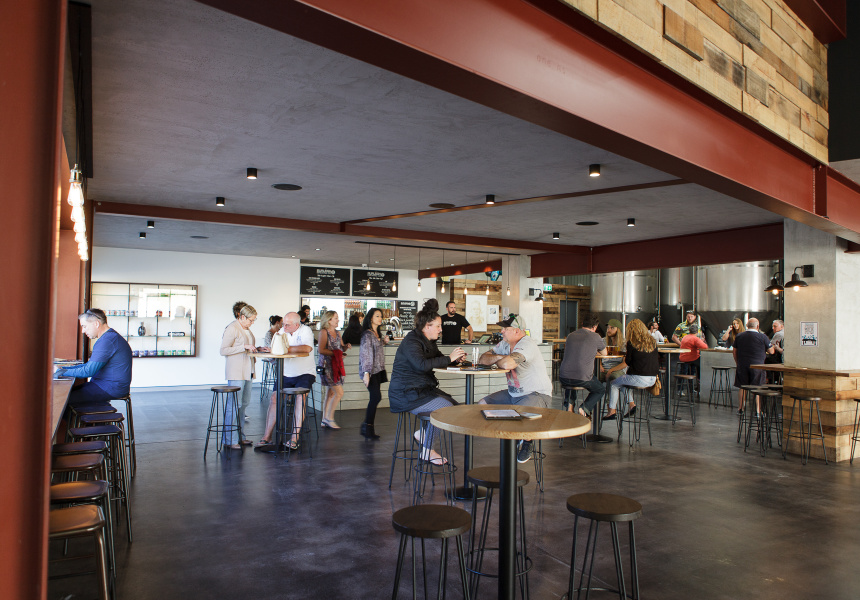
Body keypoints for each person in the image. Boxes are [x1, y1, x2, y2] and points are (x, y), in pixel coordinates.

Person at [388, 299, 465, 465]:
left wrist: (454, 360)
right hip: (405, 394)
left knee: (454, 406)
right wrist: (449, 358)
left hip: (420, 390)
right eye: (438, 326)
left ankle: (422, 434)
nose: (441, 330)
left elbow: (439, 358)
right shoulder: (411, 341)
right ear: (426, 326)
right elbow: (421, 365)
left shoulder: (428, 341)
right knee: (444, 408)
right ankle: (427, 451)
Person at [478, 313, 553, 463]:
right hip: (514, 394)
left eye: (505, 329)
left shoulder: (527, 344)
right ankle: (515, 437)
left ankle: (527, 442)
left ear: (517, 331)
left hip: (536, 394)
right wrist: (500, 357)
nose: (502, 331)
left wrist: (500, 359)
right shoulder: (505, 344)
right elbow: (483, 359)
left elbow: (508, 364)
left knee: (517, 417)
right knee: (482, 404)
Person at [257, 312, 316, 451]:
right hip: (286, 373)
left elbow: (307, 348)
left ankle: (294, 438)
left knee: (300, 398)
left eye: (287, 325)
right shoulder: (282, 332)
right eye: (283, 324)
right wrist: (267, 350)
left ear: (297, 324)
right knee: (274, 398)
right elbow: (275, 349)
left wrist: (284, 349)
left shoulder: (305, 330)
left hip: (305, 373)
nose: (284, 327)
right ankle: (267, 437)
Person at [56, 309, 133, 408]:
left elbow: (88, 371)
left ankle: (85, 418)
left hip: (110, 388)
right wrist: (62, 369)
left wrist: (59, 372)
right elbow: (88, 366)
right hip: (105, 385)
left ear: (96, 324)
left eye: (84, 326)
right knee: (69, 393)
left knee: (63, 399)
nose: (83, 331)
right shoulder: (109, 337)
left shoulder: (107, 341)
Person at [220, 303, 260, 449]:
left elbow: (247, 347)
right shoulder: (232, 328)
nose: (252, 323)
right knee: (234, 405)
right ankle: (230, 439)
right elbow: (224, 350)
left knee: (244, 404)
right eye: (250, 320)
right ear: (242, 317)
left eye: (254, 320)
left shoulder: (246, 329)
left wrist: (257, 348)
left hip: (248, 370)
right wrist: (243, 347)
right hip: (236, 371)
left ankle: (240, 437)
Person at [603, 319, 659, 419]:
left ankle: (612, 411)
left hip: (639, 378)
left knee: (613, 384)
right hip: (653, 379)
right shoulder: (652, 342)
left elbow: (627, 363)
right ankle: (632, 405)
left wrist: (611, 370)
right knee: (622, 384)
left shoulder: (632, 343)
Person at [558, 312, 608, 418]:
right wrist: (594, 350)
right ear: (595, 327)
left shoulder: (571, 335)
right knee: (600, 389)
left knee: (572, 377)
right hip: (582, 378)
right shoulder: (596, 336)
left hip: (563, 377)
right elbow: (605, 353)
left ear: (582, 323)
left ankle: (569, 407)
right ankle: (584, 408)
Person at [733, 317, 775, 415]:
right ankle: (758, 411)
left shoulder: (739, 336)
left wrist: (737, 362)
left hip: (742, 365)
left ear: (747, 326)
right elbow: (771, 351)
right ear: (757, 326)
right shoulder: (763, 337)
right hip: (758, 366)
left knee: (742, 387)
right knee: (757, 387)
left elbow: (734, 351)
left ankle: (741, 408)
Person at [358, 308, 389, 440]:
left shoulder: (376, 334)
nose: (380, 318)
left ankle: (367, 427)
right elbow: (366, 354)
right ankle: (367, 426)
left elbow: (376, 348)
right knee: (376, 397)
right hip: (370, 371)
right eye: (377, 316)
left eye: (380, 316)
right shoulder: (367, 335)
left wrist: (383, 342)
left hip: (377, 370)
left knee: (375, 397)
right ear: (371, 318)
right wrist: (366, 372)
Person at [318, 310, 350, 429]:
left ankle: (324, 419)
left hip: (336, 366)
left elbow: (341, 348)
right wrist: (336, 354)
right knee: (339, 392)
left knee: (331, 393)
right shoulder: (323, 332)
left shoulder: (337, 333)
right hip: (327, 366)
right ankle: (329, 418)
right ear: (329, 320)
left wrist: (346, 347)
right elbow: (321, 350)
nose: (338, 320)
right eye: (336, 318)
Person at [678, 324, 709, 392]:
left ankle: (681, 389)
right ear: (697, 332)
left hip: (682, 358)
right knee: (702, 365)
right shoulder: (695, 339)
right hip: (691, 358)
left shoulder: (685, 337)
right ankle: (699, 382)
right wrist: (702, 340)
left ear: (689, 331)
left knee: (688, 370)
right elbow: (705, 347)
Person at [599, 319, 626, 384]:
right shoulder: (603, 341)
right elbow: (597, 355)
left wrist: (611, 370)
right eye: (608, 327)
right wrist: (599, 365)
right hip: (604, 368)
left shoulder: (624, 343)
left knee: (612, 377)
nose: (609, 330)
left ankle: (611, 390)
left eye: (612, 328)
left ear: (618, 330)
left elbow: (625, 363)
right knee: (594, 376)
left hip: (617, 369)